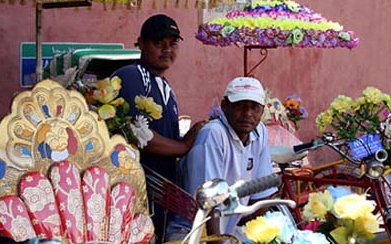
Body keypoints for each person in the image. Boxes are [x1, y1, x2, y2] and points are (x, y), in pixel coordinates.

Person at [111, 14, 204, 243]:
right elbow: (138, 134)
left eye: (172, 44)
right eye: (158, 43)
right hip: (137, 193)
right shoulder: (132, 76)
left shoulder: (165, 86)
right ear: (141, 43)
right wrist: (184, 145)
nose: (167, 50)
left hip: (161, 195)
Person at [166, 77, 277, 242]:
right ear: (225, 106)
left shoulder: (259, 132)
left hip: (226, 231)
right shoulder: (213, 134)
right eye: (240, 106)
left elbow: (262, 194)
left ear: (262, 111)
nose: (247, 114)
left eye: (254, 108)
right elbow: (208, 203)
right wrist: (218, 240)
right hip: (193, 233)